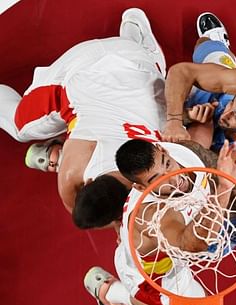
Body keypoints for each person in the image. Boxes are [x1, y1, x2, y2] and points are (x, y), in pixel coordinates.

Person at [0, 8, 167, 212]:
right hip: (83, 66)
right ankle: (59, 153)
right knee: (21, 128)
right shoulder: (71, 175)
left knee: (159, 89)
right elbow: (76, 210)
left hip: (139, 64)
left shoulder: (162, 160)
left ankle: (136, 35)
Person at [81, 139, 236, 305]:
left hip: (157, 246)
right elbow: (194, 244)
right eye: (157, 179)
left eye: (167, 164)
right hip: (152, 276)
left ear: (163, 149)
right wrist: (225, 186)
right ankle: (110, 292)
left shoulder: (183, 155)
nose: (173, 178)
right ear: (141, 187)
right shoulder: (152, 214)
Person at [162, 12, 236, 174]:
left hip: (200, 138)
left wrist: (194, 120)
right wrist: (175, 120)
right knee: (211, 51)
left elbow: (197, 167)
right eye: (233, 104)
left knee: (190, 155)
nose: (226, 114)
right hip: (206, 95)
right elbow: (180, 72)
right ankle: (220, 44)